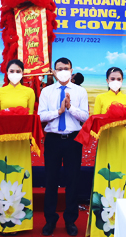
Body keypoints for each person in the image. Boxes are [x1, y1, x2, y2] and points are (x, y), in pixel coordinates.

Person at [0, 59, 36, 234]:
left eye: (18, 71)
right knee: (0, 175)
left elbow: (30, 118)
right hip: (2, 141)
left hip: (20, 142)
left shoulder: (29, 92)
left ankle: (19, 222)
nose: (14, 74)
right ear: (6, 73)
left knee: (19, 175)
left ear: (23, 73)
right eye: (11, 71)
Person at [38, 58, 89, 237]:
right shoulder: (46, 92)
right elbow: (41, 117)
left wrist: (70, 107)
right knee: (51, 180)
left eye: (66, 68)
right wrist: (58, 112)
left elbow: (85, 117)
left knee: (72, 180)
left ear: (71, 70)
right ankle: (50, 220)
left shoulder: (80, 91)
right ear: (54, 71)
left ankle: (70, 220)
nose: (63, 71)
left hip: (73, 139)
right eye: (59, 69)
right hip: (52, 139)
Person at [87, 67, 126, 237]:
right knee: (103, 175)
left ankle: (123, 225)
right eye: (112, 78)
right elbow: (95, 120)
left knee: (121, 175)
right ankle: (100, 227)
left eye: (118, 78)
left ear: (122, 80)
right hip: (105, 140)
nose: (115, 81)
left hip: (120, 139)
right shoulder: (100, 97)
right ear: (107, 80)